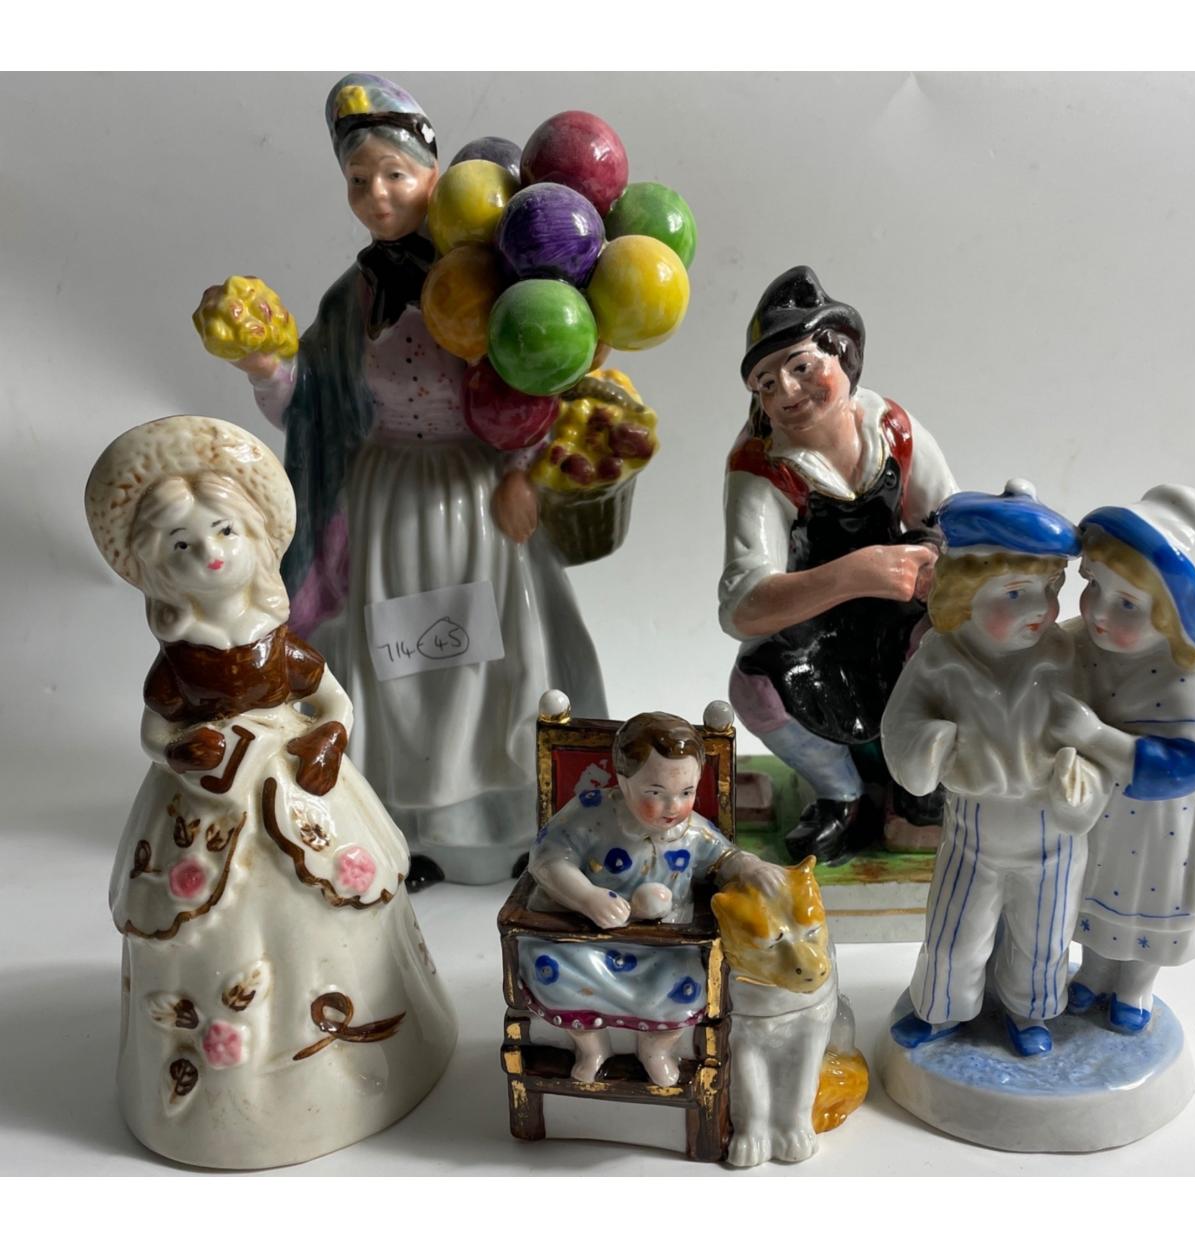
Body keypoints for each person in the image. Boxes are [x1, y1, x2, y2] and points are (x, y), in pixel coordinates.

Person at [194, 72, 606, 889]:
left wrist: (523, 473)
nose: (377, 195)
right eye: (359, 180)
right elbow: (311, 406)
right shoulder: (353, 297)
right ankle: (408, 827)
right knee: (401, 668)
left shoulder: (489, 280)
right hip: (387, 499)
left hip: (475, 496)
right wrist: (266, 364)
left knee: (493, 658)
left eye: (395, 174)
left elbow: (538, 379)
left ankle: (509, 823)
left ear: (434, 174)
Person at [84, 415, 456, 1169]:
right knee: (215, 927)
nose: (211, 554)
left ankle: (362, 1052)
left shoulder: (277, 642)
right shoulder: (179, 659)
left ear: (255, 537)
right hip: (203, 806)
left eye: (224, 532)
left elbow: (334, 700)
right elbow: (155, 731)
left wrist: (330, 737)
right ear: (156, 566)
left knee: (334, 902)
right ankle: (230, 1090)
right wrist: (181, 750)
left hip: (300, 785)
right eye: (183, 545)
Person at [719, 266, 958, 864]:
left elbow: (951, 522)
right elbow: (742, 604)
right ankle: (840, 795)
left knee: (947, 648)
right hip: (817, 616)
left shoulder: (893, 429)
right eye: (766, 383)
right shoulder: (762, 465)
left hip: (900, 607)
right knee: (755, 687)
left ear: (843, 354)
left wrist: (933, 559)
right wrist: (857, 572)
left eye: (801, 367)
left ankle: (918, 787)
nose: (786, 392)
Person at [881, 482, 1109, 1056]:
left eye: (1050, 589)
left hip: (1050, 831)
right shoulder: (939, 660)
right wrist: (930, 744)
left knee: (1043, 937)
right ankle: (941, 1009)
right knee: (955, 933)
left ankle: (1030, 1013)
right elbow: (900, 726)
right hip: (972, 831)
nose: (1042, 609)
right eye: (1015, 592)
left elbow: (1097, 742)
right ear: (964, 594)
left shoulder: (1067, 658)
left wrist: (1082, 781)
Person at [1054, 486, 1195, 1034]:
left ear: (1176, 615)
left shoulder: (1193, 677)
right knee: (1093, 895)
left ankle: (1135, 986)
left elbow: (1192, 763)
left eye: (1128, 604)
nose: (1099, 613)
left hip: (1165, 826)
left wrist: (1095, 737)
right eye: (1093, 586)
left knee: (1148, 908)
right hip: (1098, 812)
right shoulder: (1083, 642)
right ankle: (1093, 973)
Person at [518, 712, 785, 1087]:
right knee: (551, 968)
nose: (673, 806)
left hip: (663, 948)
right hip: (589, 940)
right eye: (656, 793)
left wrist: (751, 866)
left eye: (686, 792)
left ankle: (656, 1049)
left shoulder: (693, 832)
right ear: (623, 782)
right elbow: (547, 860)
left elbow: (724, 858)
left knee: (686, 983)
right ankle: (592, 1047)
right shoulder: (589, 813)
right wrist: (587, 897)